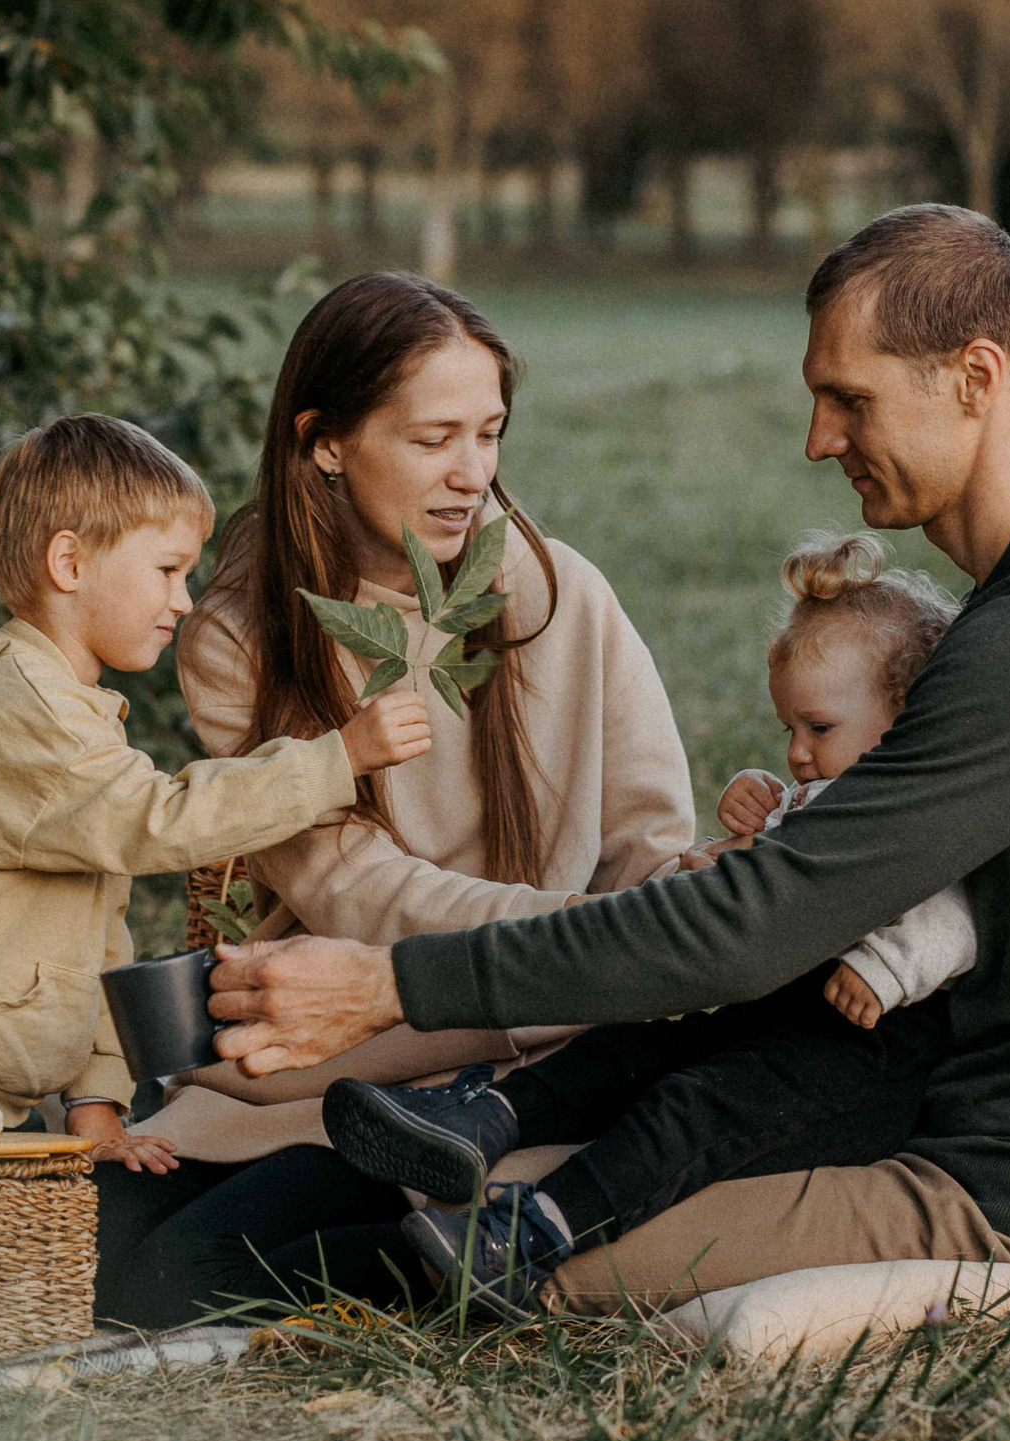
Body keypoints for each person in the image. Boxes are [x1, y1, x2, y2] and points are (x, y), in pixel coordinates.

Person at [208, 206, 1010, 1312]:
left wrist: (391, 985)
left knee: (458, 1257)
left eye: (848, 399)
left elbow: (751, 931)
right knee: (472, 1185)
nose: (817, 440)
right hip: (943, 1086)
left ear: (976, 376)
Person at [95, 273, 698, 1327]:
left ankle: (443, 1254)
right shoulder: (244, 636)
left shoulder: (563, 597)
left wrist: (613, 951)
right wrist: (589, 942)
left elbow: (650, 848)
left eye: (490, 434)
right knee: (98, 1263)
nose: (471, 475)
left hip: (520, 1072)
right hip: (329, 1056)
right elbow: (353, 888)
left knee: (178, 1287)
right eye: (433, 441)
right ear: (325, 441)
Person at [324, 531, 978, 1315]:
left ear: (903, 718)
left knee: (693, 1108)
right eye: (788, 733)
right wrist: (750, 825)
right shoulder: (830, 787)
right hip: (781, 1005)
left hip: (866, 1054)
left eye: (818, 729)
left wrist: (891, 967)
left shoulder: (924, 805)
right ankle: (483, 1119)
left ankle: (534, 1233)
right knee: (635, 1045)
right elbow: (786, 869)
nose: (800, 753)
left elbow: (960, 905)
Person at [0, 414, 432, 1170]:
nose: (187, 600)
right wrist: (338, 759)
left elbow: (96, 929)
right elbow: (158, 821)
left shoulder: (71, 712)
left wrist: (96, 1101)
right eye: (168, 570)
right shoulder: (21, 704)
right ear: (69, 562)